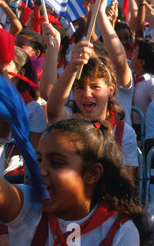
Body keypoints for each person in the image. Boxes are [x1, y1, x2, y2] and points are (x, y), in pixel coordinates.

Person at [0, 117, 150, 246]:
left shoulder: (120, 230)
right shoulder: (29, 206)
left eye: (56, 163)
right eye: (38, 160)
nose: (39, 171)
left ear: (93, 173)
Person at [45, 39, 139, 173]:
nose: (87, 94)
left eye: (95, 87)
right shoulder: (68, 121)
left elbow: (125, 181)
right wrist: (71, 69)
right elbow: (53, 112)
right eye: (80, 87)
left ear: (110, 89)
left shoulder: (124, 133)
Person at [130, 39, 154, 143]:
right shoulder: (131, 76)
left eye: (134, 53)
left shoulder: (151, 82)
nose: (131, 56)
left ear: (141, 62)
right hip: (128, 125)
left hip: (142, 129)